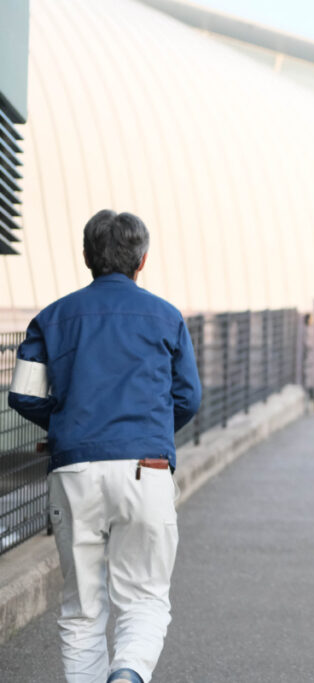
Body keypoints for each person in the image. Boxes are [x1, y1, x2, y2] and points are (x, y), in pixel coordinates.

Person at [9, 210, 201, 683]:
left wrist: (63, 423)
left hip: (74, 470)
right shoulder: (166, 317)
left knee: (81, 610)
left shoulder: (51, 318)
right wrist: (150, 431)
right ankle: (128, 675)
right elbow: (188, 397)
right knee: (144, 598)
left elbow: (24, 394)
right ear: (143, 261)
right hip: (147, 467)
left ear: (86, 257)